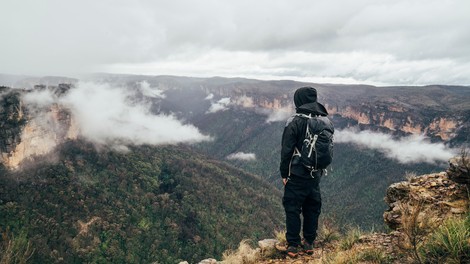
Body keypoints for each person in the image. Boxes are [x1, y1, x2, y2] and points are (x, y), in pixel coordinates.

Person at [280, 86, 330, 257]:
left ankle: (293, 245)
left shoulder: (294, 122)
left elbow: (286, 151)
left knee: (292, 208)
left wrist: (284, 174)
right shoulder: (323, 121)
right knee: (312, 207)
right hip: (315, 174)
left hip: (297, 174)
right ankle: (309, 243)